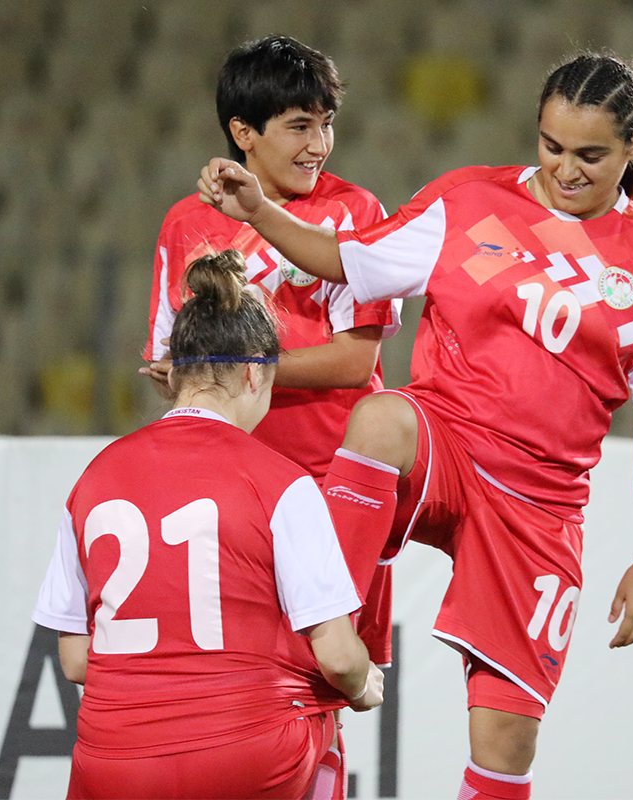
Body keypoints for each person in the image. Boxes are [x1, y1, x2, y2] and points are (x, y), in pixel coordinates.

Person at [197, 52, 633, 800]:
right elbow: (346, 260)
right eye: (551, 146)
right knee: (379, 421)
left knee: (504, 749)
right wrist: (260, 214)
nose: (565, 169)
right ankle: (322, 631)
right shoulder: (468, 201)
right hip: (449, 441)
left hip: (539, 505)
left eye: (590, 155)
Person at [140, 40, 400, 789]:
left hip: (332, 488)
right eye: (297, 125)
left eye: (326, 123)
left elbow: (356, 361)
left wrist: (238, 372)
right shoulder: (186, 223)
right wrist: (192, 374)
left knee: (322, 679)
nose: (318, 144)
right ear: (241, 131)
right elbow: (169, 359)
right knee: (241, 672)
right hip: (229, 492)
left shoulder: (357, 214)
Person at [33, 250, 385, 800]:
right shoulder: (282, 483)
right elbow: (337, 656)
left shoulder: (93, 480)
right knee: (323, 722)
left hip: (113, 764)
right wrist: (364, 684)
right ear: (253, 374)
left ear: (175, 374)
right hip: (244, 756)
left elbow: (78, 661)